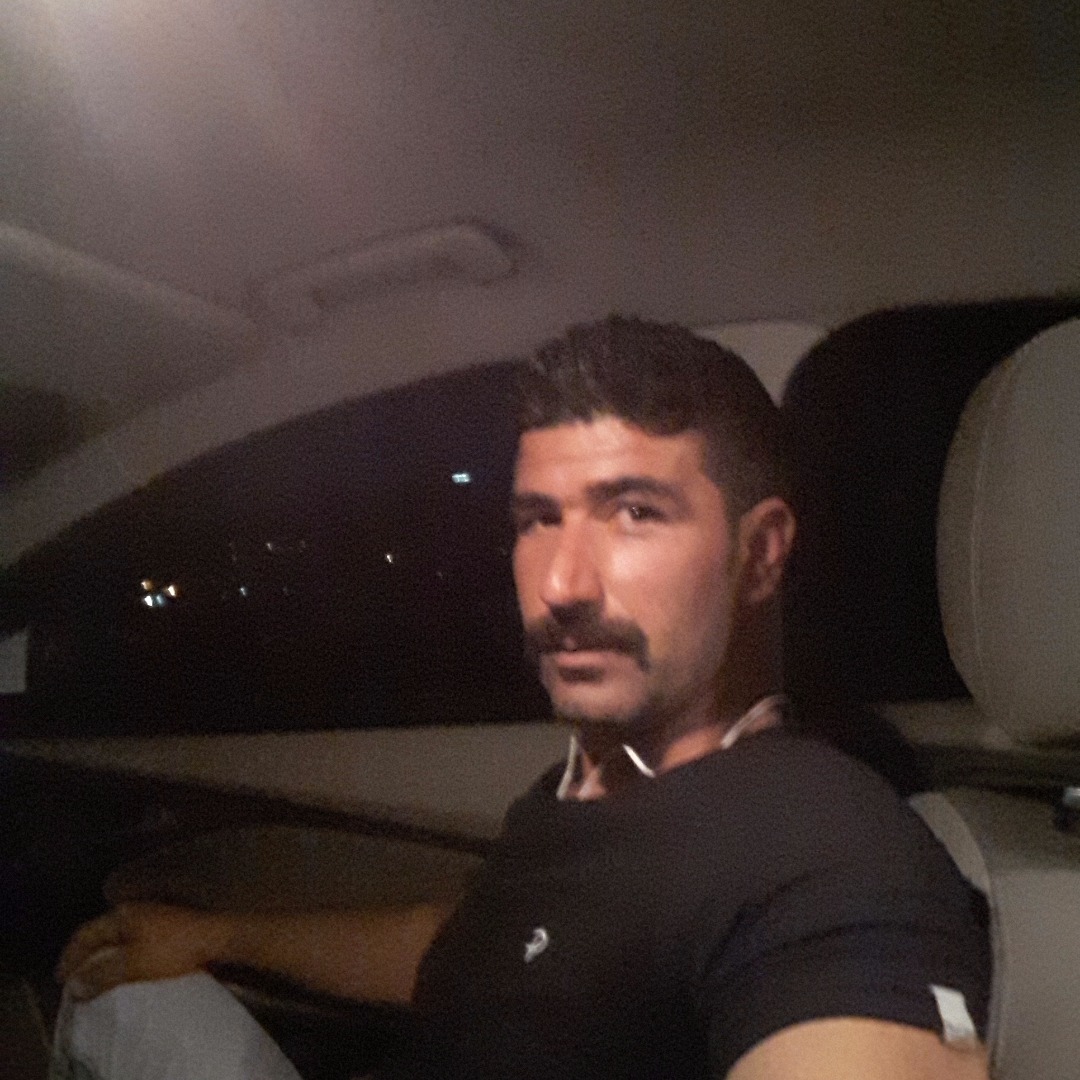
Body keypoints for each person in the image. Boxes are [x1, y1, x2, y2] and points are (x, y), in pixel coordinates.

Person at [58, 316, 992, 1079]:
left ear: (761, 554)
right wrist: (218, 934)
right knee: (122, 997)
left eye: (635, 512)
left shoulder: (828, 854)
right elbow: (462, 951)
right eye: (539, 519)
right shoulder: (580, 788)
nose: (561, 584)